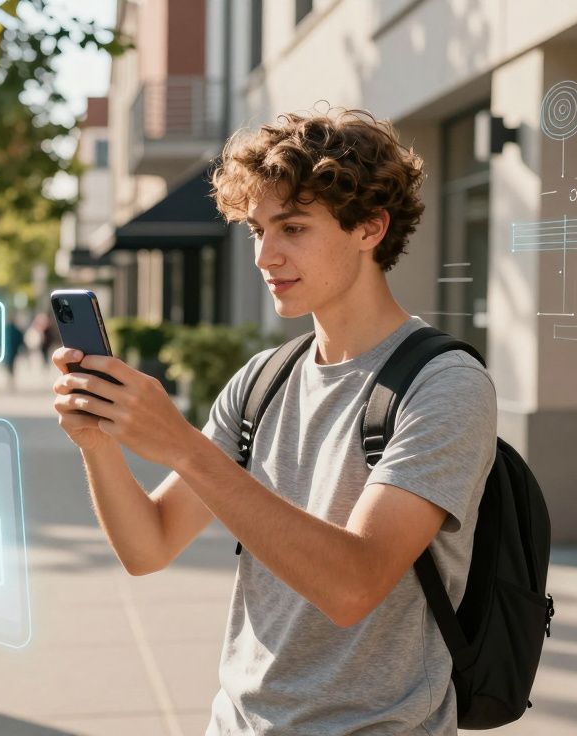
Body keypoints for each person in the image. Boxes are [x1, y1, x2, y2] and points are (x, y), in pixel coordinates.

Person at [49, 109, 497, 734]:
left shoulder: (445, 383)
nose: (266, 255)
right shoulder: (263, 379)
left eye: (292, 227)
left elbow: (353, 586)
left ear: (371, 227)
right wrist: (95, 443)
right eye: (257, 230)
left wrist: (182, 445)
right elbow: (148, 547)